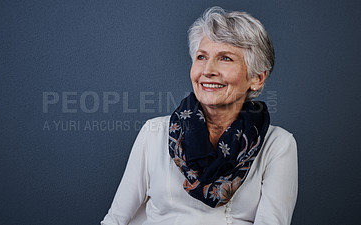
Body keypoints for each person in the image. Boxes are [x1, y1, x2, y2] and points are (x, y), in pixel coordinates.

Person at [101, 6, 297, 225]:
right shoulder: (154, 132)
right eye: (202, 56)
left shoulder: (278, 144)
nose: (208, 70)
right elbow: (115, 219)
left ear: (257, 78)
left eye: (225, 58)